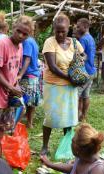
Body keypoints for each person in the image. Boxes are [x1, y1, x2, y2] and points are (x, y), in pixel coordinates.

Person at [0, 16, 33, 140]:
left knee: (2, 129)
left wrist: (16, 86)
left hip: (6, 96)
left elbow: (13, 71)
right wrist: (10, 87)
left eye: (25, 34)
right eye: (18, 31)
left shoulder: (20, 47)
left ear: (28, 35)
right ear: (13, 28)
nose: (20, 35)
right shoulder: (2, 44)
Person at [40, 14, 84, 155]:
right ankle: (45, 147)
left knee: (69, 118)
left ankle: (67, 147)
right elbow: (52, 67)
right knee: (51, 117)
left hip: (70, 87)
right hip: (53, 85)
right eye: (57, 31)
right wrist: (69, 78)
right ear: (53, 30)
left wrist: (78, 63)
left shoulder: (75, 43)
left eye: (63, 31)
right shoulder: (49, 42)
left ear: (68, 29)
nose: (60, 34)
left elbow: (84, 55)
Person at [17, 22, 40, 129]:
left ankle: (21, 122)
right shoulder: (33, 41)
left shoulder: (27, 42)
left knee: (23, 101)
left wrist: (20, 74)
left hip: (27, 75)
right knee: (31, 101)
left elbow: (27, 58)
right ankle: (29, 122)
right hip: (34, 75)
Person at [75, 18, 96, 122]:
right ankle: (83, 116)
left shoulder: (83, 39)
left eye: (79, 27)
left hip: (84, 71)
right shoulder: (91, 38)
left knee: (76, 95)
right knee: (86, 95)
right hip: (91, 70)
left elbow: (81, 56)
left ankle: (75, 116)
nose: (77, 28)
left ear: (85, 27)